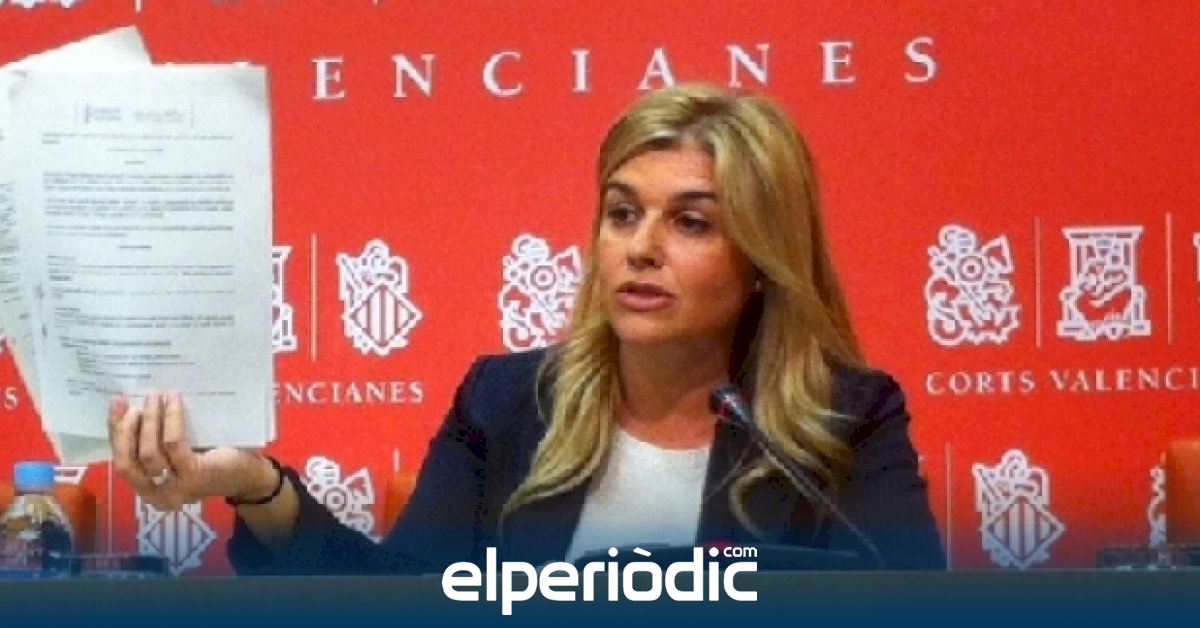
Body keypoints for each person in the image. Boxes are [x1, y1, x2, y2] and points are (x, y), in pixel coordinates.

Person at [106, 84, 945, 573]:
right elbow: (402, 598)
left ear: (762, 255)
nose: (641, 248)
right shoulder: (507, 402)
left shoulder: (844, 422)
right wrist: (255, 482)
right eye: (622, 214)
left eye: (691, 223)